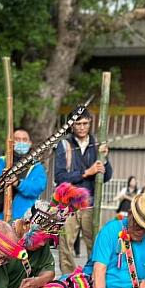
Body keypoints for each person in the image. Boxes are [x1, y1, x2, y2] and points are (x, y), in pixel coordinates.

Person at [54, 109, 113, 273]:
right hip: (69, 204)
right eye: (77, 124)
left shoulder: (98, 144)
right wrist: (87, 173)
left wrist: (105, 159)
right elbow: (60, 177)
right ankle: (68, 279)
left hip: (90, 204)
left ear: (90, 123)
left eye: (85, 123)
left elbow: (107, 176)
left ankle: (91, 276)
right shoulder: (64, 145)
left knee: (95, 243)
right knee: (65, 244)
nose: (81, 127)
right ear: (72, 125)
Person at [0, 128, 47, 220]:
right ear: (11, 142)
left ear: (30, 143)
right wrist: (1, 179)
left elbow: (37, 188)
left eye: (24, 140)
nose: (21, 142)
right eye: (17, 139)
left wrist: (18, 183)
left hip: (23, 219)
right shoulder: (1, 162)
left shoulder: (36, 166)